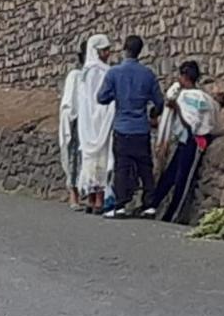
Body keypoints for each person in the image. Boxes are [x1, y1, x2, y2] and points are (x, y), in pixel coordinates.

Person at [146, 61, 224, 223]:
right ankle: (152, 204)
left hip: (194, 141)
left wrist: (177, 108)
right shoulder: (191, 96)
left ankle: (173, 214)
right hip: (183, 140)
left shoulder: (192, 98)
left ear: (184, 76)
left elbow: (192, 123)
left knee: (183, 178)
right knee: (170, 175)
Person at [97, 34, 164, 218]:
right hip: (141, 129)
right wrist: (153, 115)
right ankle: (149, 205)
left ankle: (120, 205)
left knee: (122, 168)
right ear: (140, 51)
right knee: (145, 167)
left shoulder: (114, 73)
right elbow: (159, 101)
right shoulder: (148, 74)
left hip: (122, 128)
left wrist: (116, 94)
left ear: (125, 49)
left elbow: (101, 98)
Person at [76, 34, 115, 214]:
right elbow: (101, 97)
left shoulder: (85, 72)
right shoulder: (100, 71)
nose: (107, 53)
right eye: (104, 50)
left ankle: (91, 199)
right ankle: (98, 198)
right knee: (100, 158)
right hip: (99, 118)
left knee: (90, 159)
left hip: (87, 122)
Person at [58, 42, 86, 210]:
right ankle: (73, 194)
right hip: (77, 121)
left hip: (92, 122)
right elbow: (69, 101)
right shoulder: (75, 76)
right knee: (74, 157)